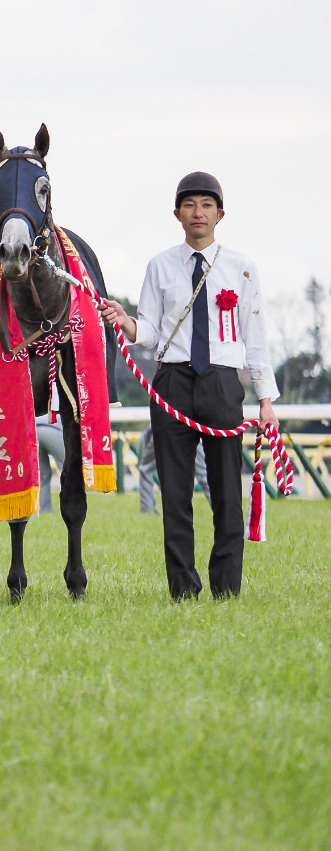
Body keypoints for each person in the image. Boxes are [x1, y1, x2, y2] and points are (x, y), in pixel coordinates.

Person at [102, 173, 279, 600]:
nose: (197, 213)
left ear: (220, 213)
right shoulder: (160, 265)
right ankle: (183, 589)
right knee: (176, 496)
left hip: (222, 383)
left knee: (226, 493)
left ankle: (226, 588)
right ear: (177, 213)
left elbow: (253, 338)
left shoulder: (242, 267)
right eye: (189, 205)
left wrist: (265, 400)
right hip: (172, 383)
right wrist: (125, 322)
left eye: (206, 205)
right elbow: (148, 329)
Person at [137, 424, 210, 514]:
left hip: (165, 428)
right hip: (189, 427)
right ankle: (224, 509)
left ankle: (147, 509)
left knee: (146, 469)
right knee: (204, 475)